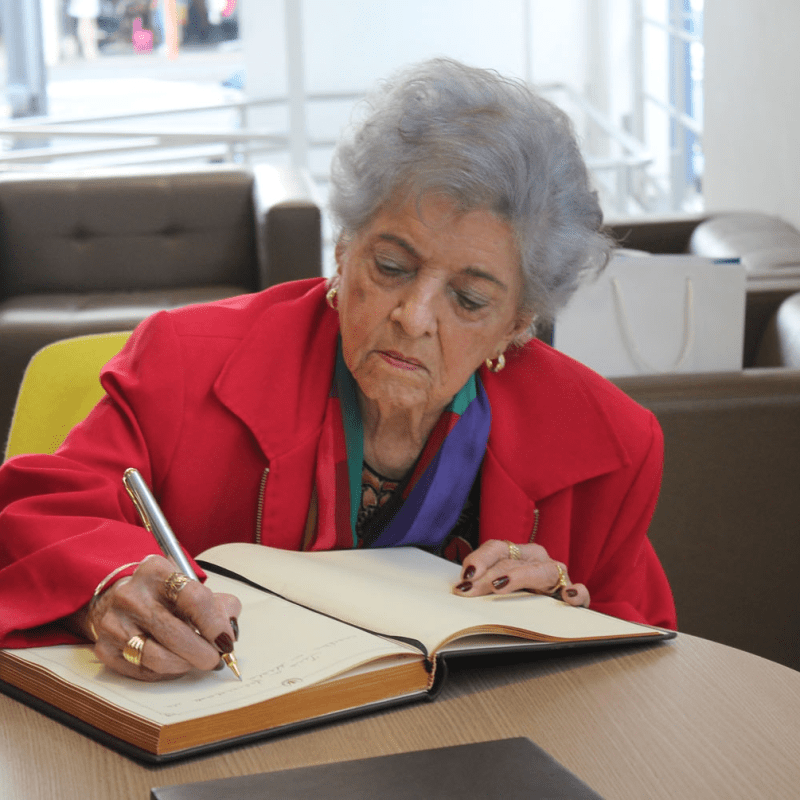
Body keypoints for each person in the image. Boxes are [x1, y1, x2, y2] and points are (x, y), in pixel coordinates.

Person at [0, 59, 676, 681]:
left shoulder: (611, 444)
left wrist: (566, 613)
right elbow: (35, 518)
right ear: (344, 248)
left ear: (518, 324)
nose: (414, 316)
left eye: (469, 299)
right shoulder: (184, 360)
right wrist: (109, 586)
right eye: (391, 266)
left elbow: (643, 661)